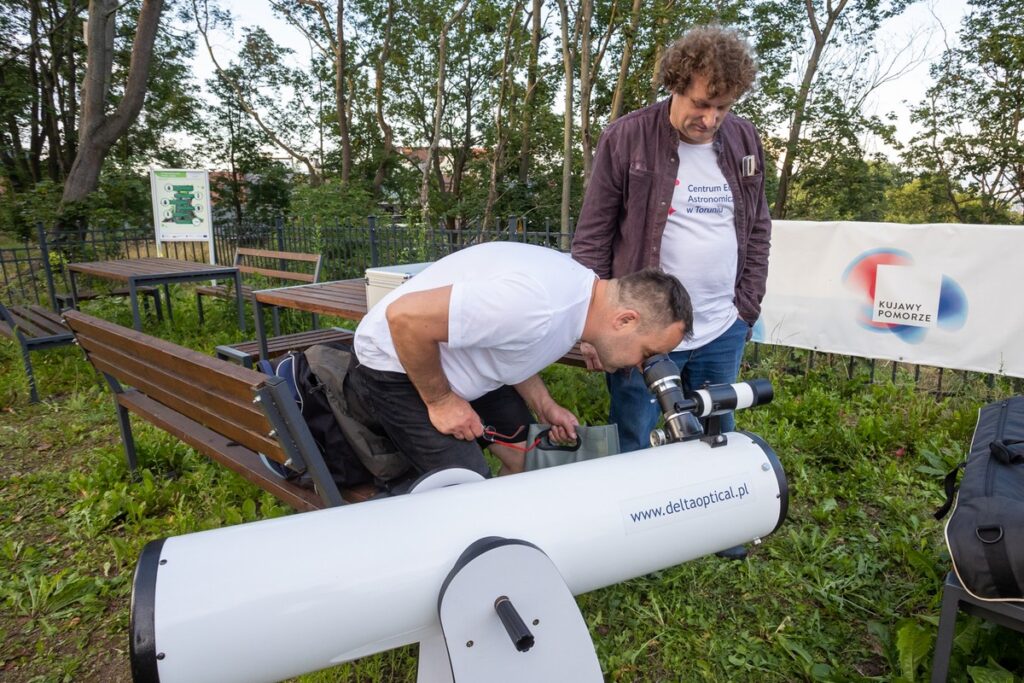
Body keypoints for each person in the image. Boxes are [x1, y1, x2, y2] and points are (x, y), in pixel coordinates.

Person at [571, 26, 771, 558]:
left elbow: (757, 227)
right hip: (644, 325)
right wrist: (587, 327)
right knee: (635, 425)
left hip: (721, 323)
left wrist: (746, 306)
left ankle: (717, 521)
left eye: (723, 109)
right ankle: (638, 530)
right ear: (676, 84)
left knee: (716, 425)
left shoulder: (745, 140)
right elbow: (592, 237)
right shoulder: (627, 137)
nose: (710, 120)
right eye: (702, 104)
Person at [344, 241, 692, 488]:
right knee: (467, 489)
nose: (640, 365)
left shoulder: (580, 297)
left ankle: (506, 538)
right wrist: (442, 403)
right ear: (626, 320)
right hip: (397, 363)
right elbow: (404, 318)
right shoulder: (537, 305)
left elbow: (514, 346)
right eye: (646, 353)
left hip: (460, 364)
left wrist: (545, 405)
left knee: (527, 458)